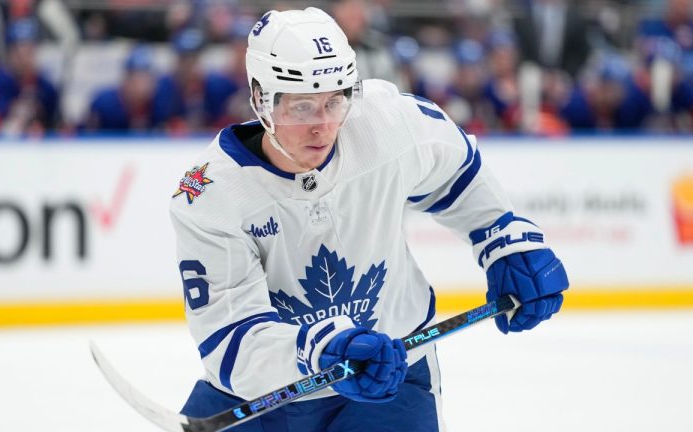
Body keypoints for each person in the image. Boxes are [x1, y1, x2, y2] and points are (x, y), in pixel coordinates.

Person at [170, 8, 569, 432]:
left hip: (391, 378)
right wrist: (316, 350)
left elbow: (457, 169)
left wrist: (501, 237)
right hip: (265, 396)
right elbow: (231, 340)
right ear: (260, 97)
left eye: (335, 102)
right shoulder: (210, 195)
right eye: (302, 107)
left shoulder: (386, 121)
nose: (323, 127)